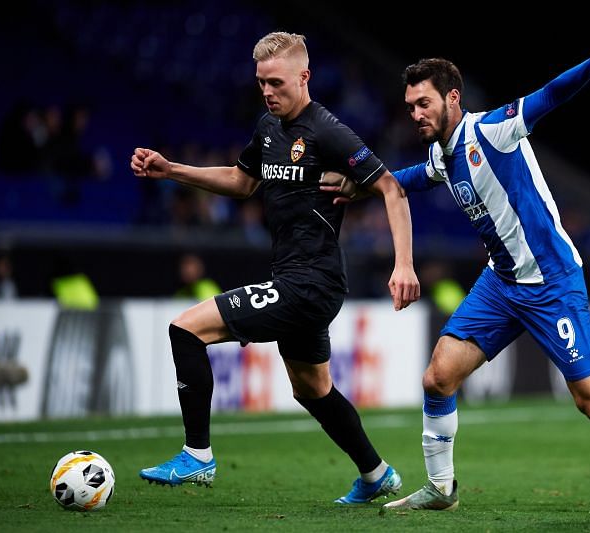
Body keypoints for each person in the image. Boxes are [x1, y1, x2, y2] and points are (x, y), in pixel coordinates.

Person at [322, 20, 590, 518]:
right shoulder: (441, 156)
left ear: (452, 98)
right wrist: (360, 184)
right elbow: (409, 178)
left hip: (552, 283)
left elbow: (552, 93)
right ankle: (441, 487)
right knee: (438, 377)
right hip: (501, 283)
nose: (415, 114)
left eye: (423, 103)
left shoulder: (494, 128)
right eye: (409, 106)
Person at [130, 31, 420, 504]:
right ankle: (376, 474)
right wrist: (173, 170)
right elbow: (243, 182)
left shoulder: (326, 130)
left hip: (313, 281)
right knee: (312, 389)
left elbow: (391, 187)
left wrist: (402, 264)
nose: (268, 91)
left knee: (186, 329)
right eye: (262, 82)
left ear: (304, 77)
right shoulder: (268, 127)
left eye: (277, 83)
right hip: (294, 278)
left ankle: (197, 455)